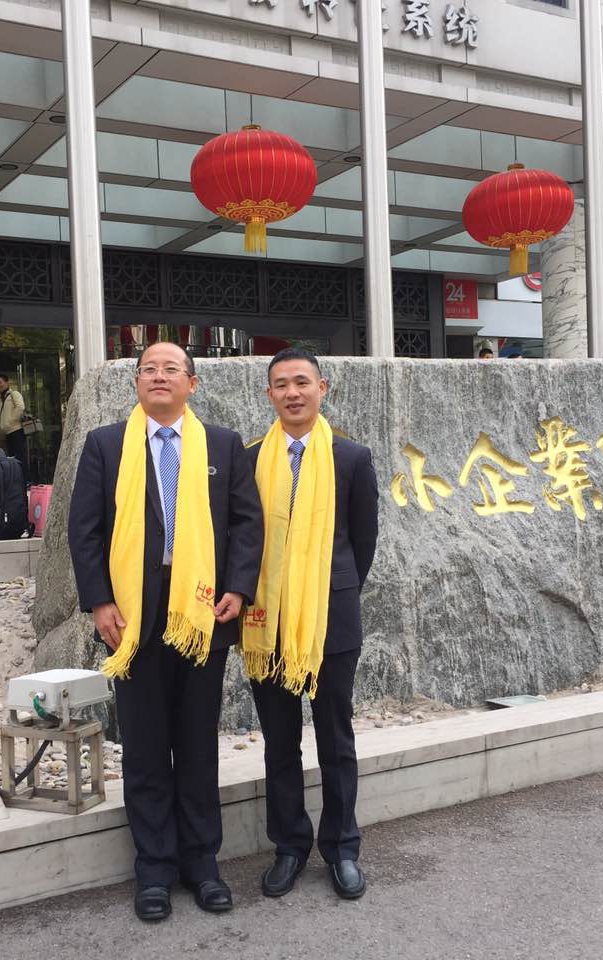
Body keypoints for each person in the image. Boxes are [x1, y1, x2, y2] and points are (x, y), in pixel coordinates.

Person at [67, 342, 263, 923]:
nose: (159, 376)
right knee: (147, 747)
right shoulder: (106, 445)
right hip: (133, 617)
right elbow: (85, 529)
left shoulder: (223, 445)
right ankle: (153, 869)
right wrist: (99, 601)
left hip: (202, 614)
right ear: (136, 383)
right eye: (148, 369)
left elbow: (246, 524)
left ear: (191, 383)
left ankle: (202, 865)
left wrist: (239, 588)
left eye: (170, 369)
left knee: (197, 745)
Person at [243, 347, 379, 902]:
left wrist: (325, 593)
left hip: (331, 619)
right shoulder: (250, 458)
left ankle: (342, 848)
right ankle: (290, 846)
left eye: (302, 382)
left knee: (335, 738)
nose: (292, 393)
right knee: (280, 742)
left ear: (323, 388)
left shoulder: (352, 457)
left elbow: (363, 542)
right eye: (281, 384)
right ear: (269, 394)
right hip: (268, 620)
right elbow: (241, 538)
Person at [0, 373, 28, 485]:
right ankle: (16, 482)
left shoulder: (14, 394)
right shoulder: (1, 398)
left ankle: (25, 480)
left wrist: (10, 421)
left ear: (7, 382)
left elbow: (20, 407)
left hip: (16, 430)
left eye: (0, 382)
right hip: (8, 432)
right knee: (12, 458)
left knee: (20, 457)